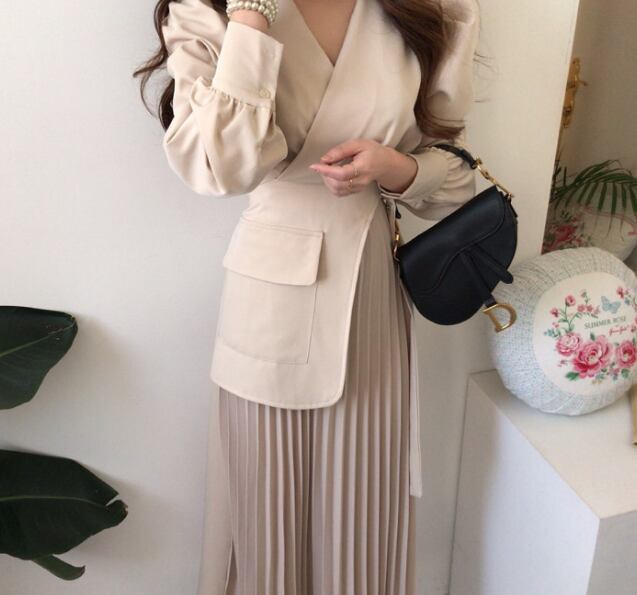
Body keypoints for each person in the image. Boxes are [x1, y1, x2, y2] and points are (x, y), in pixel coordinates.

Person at [134, 0, 480, 592]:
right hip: (268, 310)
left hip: (371, 297)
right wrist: (250, 17)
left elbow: (458, 175)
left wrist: (396, 167)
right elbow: (217, 168)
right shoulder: (204, 11)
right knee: (265, 530)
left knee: (363, 522)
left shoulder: (436, 7)